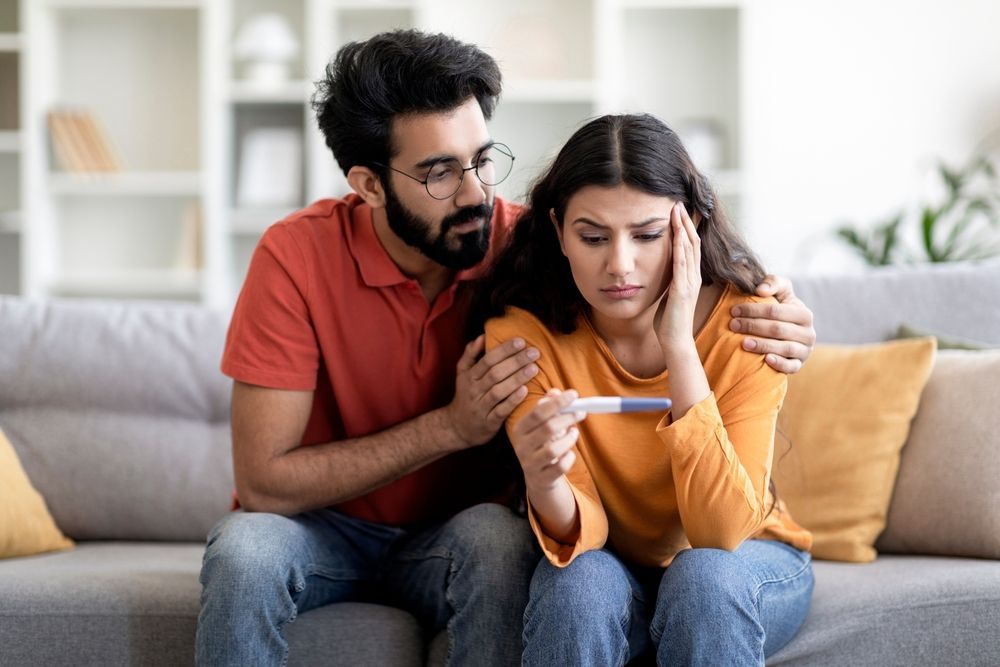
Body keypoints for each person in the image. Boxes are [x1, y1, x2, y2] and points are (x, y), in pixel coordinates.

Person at [195, 30, 816, 666]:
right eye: (439, 173)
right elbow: (264, 482)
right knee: (248, 550)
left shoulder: (534, 246)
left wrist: (782, 313)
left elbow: (653, 242)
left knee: (499, 540)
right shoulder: (296, 256)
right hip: (321, 527)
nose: (476, 195)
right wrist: (450, 428)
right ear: (369, 184)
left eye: (482, 159)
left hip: (461, 530)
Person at [473, 113, 815, 666]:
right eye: (592, 237)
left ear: (692, 226)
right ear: (559, 231)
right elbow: (584, 536)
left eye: (649, 235)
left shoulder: (752, 326)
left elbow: (721, 532)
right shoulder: (521, 339)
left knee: (702, 580)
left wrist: (678, 344)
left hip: (747, 558)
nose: (620, 265)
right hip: (613, 563)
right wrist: (543, 478)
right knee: (577, 586)